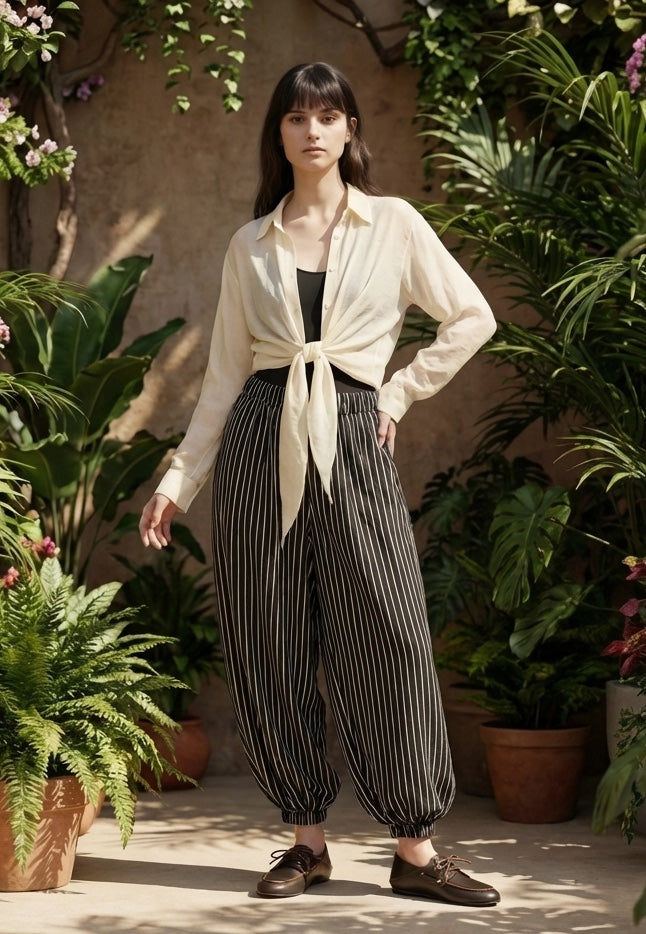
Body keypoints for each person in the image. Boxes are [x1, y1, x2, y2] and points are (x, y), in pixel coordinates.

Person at [139, 62, 500, 907]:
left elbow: (471, 316)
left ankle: (415, 849)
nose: (312, 130)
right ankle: (306, 843)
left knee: (388, 633)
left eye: (327, 115)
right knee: (270, 637)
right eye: (296, 117)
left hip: (354, 432)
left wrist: (398, 393)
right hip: (259, 438)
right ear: (279, 133)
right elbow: (224, 376)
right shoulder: (250, 244)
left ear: (348, 130)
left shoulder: (394, 224)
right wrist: (179, 478)